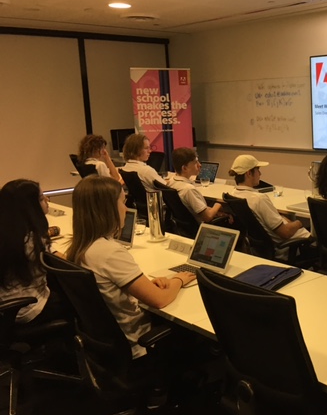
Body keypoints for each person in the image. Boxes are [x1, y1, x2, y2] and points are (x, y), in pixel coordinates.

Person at [65, 176, 195, 358]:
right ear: (108, 208)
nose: (126, 209)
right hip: (138, 343)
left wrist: (146, 286)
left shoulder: (81, 246)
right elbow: (160, 300)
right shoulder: (109, 252)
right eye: (122, 202)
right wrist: (178, 279)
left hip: (106, 343)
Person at [0, 179, 69, 325]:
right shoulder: (32, 242)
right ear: (30, 207)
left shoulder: (9, 234)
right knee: (76, 297)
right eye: (41, 198)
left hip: (5, 304)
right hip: (29, 308)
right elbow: (66, 261)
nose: (47, 199)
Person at [229, 154, 310, 260]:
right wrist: (299, 223)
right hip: (285, 247)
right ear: (249, 173)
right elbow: (285, 233)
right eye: (258, 170)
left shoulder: (234, 194)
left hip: (261, 249)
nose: (260, 174)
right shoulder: (259, 199)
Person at [168, 147, 228, 223]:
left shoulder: (171, 181)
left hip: (184, 225)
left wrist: (214, 211)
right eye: (195, 163)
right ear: (184, 168)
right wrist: (218, 204)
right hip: (201, 226)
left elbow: (199, 208)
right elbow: (208, 217)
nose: (200, 165)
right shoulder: (189, 190)